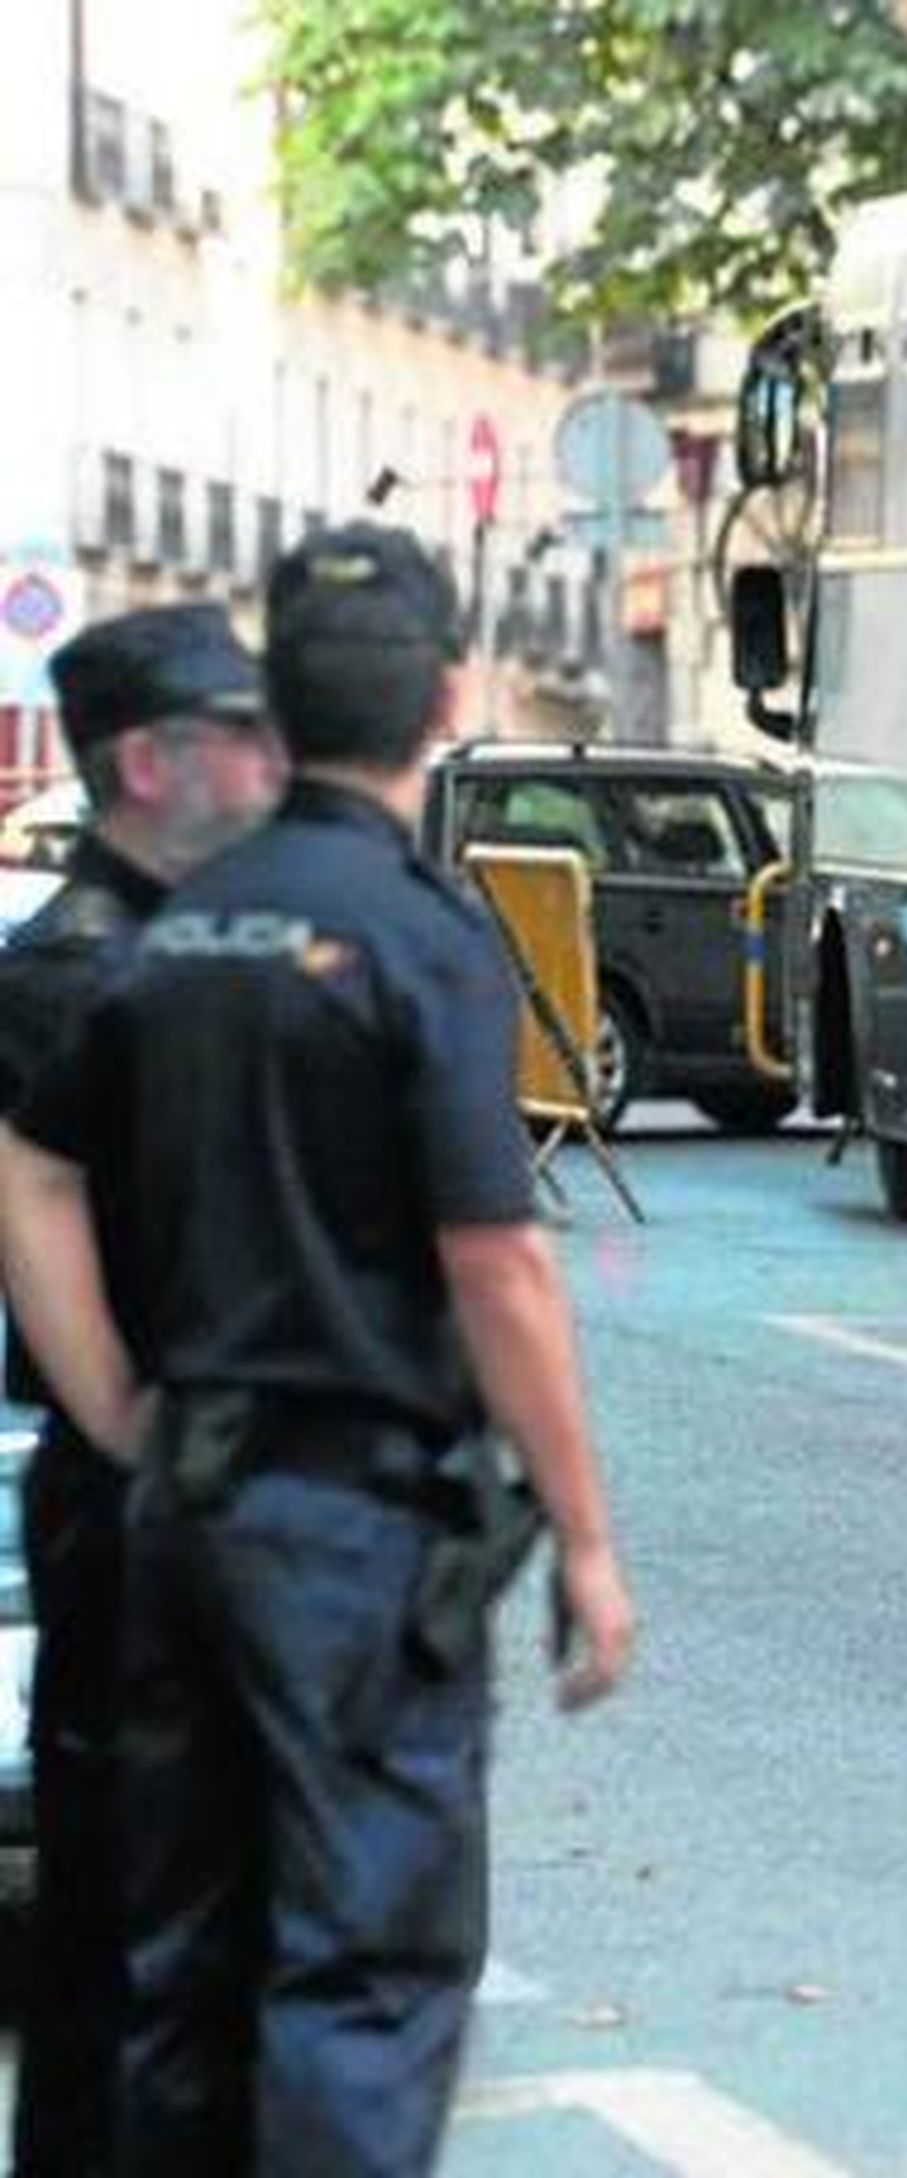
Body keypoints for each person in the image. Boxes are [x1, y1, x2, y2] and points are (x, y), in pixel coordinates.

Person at [0, 521, 636, 2177]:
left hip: (179, 1514)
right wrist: (582, 1531)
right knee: (360, 1964)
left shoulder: (181, 932)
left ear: (282, 708)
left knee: (179, 1960)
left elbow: (30, 1163)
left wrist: (133, 1412)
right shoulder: (415, 934)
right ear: (445, 701)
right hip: (346, 1528)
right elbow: (497, 1258)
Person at [0, 602, 284, 2178]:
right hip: (154, 1511)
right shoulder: (83, 981)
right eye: (238, 732)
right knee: (136, 1946)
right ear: (142, 762)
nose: (271, 759)